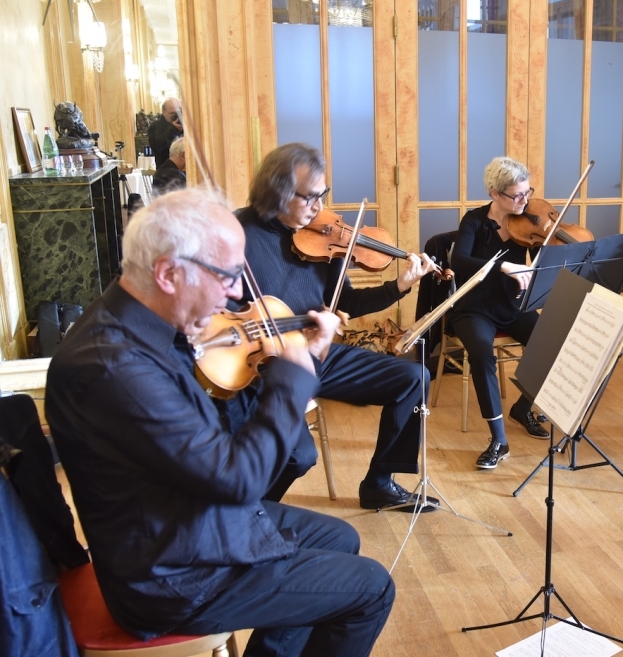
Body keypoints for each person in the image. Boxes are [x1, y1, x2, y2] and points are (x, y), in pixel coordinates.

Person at [45, 188, 395, 655]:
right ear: (168, 273)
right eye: (227, 276)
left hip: (185, 519)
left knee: (341, 537)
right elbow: (238, 479)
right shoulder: (115, 369)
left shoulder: (143, 325)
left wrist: (286, 361)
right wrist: (291, 378)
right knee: (371, 587)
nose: (236, 294)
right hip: (172, 574)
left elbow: (211, 440)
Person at [235, 143, 439, 510]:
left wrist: (400, 286)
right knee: (297, 455)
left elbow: (346, 303)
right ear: (277, 191)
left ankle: (379, 482)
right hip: (264, 365)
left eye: (322, 194)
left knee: (414, 378)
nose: (319, 207)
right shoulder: (238, 234)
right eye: (309, 197)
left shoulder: (323, 239)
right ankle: (252, 513)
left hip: (319, 351)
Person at [450, 156, 550, 470]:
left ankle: (523, 407)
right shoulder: (475, 222)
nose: (524, 201)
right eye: (516, 195)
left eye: (527, 193)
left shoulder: (531, 222)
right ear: (495, 194)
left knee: (554, 343)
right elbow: (460, 261)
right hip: (475, 309)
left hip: (513, 306)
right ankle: (498, 440)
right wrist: (502, 265)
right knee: (481, 353)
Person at [147, 97, 183, 168]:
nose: (175, 116)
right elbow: (157, 147)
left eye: (178, 113)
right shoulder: (155, 126)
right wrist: (173, 130)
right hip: (165, 171)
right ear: (164, 112)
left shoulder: (185, 124)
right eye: (172, 113)